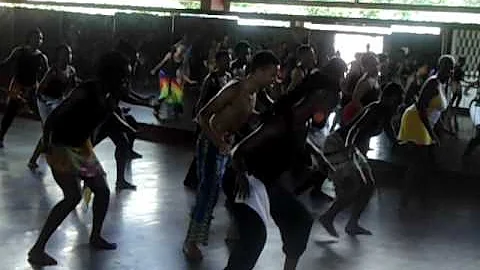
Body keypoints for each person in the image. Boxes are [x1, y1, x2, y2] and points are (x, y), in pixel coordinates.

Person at [223, 69, 340, 270]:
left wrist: (320, 158)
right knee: (255, 238)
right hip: (244, 179)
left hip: (266, 182)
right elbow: (238, 150)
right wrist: (241, 175)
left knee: (300, 221)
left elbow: (300, 140)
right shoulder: (281, 121)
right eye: (330, 105)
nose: (330, 111)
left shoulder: (303, 121)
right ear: (319, 95)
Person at [27, 51, 131, 266]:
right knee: (72, 197)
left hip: (81, 146)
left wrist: (132, 130)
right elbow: (56, 114)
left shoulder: (110, 93)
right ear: (112, 73)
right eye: (123, 74)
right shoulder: (88, 89)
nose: (126, 79)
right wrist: (47, 142)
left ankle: (95, 236)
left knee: (102, 190)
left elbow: (112, 116)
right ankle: (37, 250)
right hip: (62, 144)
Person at [182, 51, 279, 261]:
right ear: (259, 71)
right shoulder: (235, 88)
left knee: (231, 188)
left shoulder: (254, 94)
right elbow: (203, 115)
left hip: (226, 144)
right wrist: (218, 141)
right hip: (211, 143)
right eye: (271, 74)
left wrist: (258, 118)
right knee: (209, 193)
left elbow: (241, 113)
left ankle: (235, 230)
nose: (274, 79)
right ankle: (191, 243)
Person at [319, 82, 403, 237]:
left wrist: (398, 143)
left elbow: (389, 130)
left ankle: (352, 224)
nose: (397, 105)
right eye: (396, 101)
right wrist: (348, 148)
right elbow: (353, 128)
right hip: (339, 145)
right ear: (389, 98)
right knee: (353, 187)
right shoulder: (373, 109)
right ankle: (328, 217)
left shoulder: (385, 113)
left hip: (351, 148)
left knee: (369, 185)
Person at [92, 41, 157, 191]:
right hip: (101, 117)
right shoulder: (112, 76)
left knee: (122, 143)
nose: (133, 62)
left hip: (108, 116)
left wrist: (145, 102)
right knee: (88, 146)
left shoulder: (116, 74)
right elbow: (117, 101)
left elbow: (125, 94)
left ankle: (120, 180)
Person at [397, 55, 454, 208]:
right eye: (447, 68)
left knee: (424, 162)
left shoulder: (442, 84)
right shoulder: (432, 82)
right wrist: (432, 133)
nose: (450, 71)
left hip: (424, 122)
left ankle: (420, 196)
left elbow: (436, 111)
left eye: (451, 68)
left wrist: (443, 129)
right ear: (440, 67)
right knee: (418, 162)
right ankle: (406, 199)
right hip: (416, 121)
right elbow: (421, 108)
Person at [183, 50, 232, 190]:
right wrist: (198, 117)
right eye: (223, 61)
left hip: (220, 119)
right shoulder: (210, 79)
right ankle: (194, 178)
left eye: (228, 60)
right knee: (204, 149)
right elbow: (202, 99)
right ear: (217, 62)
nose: (227, 63)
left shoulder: (229, 78)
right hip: (208, 117)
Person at [28, 44, 78, 170]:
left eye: (69, 54)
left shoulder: (71, 70)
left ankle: (50, 149)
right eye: (64, 54)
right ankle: (33, 159)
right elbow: (40, 89)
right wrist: (41, 102)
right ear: (59, 56)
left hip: (57, 100)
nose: (67, 57)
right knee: (49, 128)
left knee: (59, 127)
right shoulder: (53, 70)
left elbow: (73, 88)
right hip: (45, 100)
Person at [0, 28, 48, 147]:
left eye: (40, 38)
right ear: (29, 38)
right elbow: (6, 63)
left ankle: (46, 142)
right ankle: (0, 137)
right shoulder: (19, 51)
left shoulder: (42, 57)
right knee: (10, 113)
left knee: (43, 115)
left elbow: (47, 75)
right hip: (18, 87)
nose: (38, 40)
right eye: (36, 37)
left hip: (32, 89)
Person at [150, 43, 196, 121]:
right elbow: (162, 63)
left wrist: (189, 81)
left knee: (178, 93)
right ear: (177, 49)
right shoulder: (170, 55)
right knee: (165, 92)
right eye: (180, 49)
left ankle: (176, 112)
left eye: (183, 50)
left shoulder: (182, 59)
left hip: (172, 76)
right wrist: (155, 69)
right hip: (164, 74)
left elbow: (182, 73)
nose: (181, 51)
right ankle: (156, 109)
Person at [342, 52, 381, 126]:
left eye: (376, 64)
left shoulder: (374, 79)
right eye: (372, 65)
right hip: (355, 115)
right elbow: (355, 100)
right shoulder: (366, 81)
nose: (375, 67)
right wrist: (365, 114)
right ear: (366, 66)